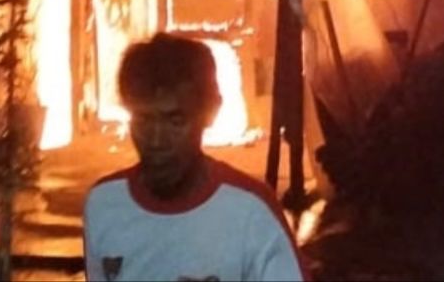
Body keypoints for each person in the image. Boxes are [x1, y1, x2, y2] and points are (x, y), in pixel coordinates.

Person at [83, 33, 308, 282]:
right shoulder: (104, 206)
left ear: (210, 113)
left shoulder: (251, 213)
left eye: (175, 121)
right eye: (144, 119)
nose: (156, 140)